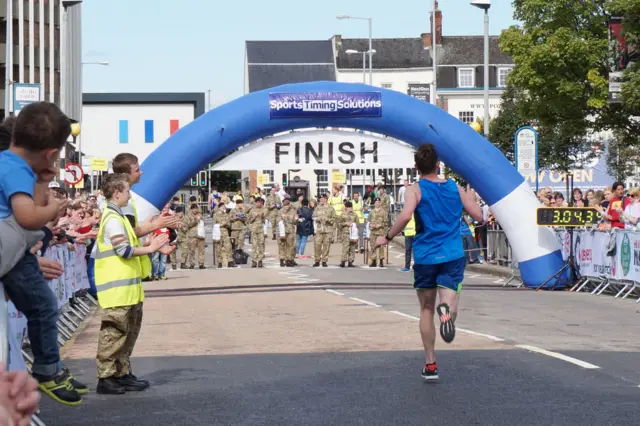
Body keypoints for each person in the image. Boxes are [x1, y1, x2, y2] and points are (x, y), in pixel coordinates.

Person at [0, 102, 86, 405]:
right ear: (51, 152)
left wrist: (42, 181)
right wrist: (54, 208)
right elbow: (27, 215)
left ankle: (52, 367)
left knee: (43, 307)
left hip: (13, 253)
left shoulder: (9, 164)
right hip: (10, 255)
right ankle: (48, 370)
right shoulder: (14, 168)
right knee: (44, 307)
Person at [375, 143, 482, 381]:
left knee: (425, 309)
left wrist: (388, 236)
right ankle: (447, 314)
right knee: (449, 298)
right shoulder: (454, 187)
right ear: (438, 165)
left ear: (416, 167)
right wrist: (471, 199)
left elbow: (404, 215)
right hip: (452, 254)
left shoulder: (415, 189)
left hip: (425, 256)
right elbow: (478, 215)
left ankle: (430, 364)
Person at [94, 173, 169, 395]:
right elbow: (124, 250)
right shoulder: (113, 219)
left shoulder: (119, 216)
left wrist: (151, 242)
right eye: (127, 191)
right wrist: (151, 248)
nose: (129, 194)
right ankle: (106, 377)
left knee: (128, 334)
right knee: (113, 335)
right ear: (117, 193)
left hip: (129, 289)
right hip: (116, 290)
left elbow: (131, 242)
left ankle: (122, 372)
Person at [312, 193, 335, 267]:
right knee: (317, 245)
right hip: (319, 230)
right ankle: (317, 260)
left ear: (325, 199)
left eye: (321, 199)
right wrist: (317, 219)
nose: (320, 200)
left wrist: (328, 219)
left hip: (328, 230)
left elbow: (334, 219)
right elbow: (313, 216)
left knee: (326, 246)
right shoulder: (317, 207)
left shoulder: (331, 208)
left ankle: (324, 261)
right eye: (320, 199)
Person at [276, 195, 297, 267]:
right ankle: (282, 260)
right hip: (282, 231)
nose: (286, 207)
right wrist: (282, 219)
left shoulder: (293, 211)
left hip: (290, 230)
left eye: (287, 205)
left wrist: (296, 220)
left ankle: (288, 260)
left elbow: (295, 221)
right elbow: (277, 220)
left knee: (290, 246)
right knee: (282, 245)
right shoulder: (280, 211)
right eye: (285, 206)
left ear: (289, 205)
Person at [247, 197, 267, 268]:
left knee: (261, 245)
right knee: (254, 246)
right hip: (254, 230)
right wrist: (254, 217)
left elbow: (266, 220)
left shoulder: (264, 209)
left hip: (261, 230)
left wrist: (263, 216)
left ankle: (260, 260)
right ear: (255, 202)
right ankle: (254, 261)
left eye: (260, 202)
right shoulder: (252, 210)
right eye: (258, 202)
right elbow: (248, 220)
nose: (259, 203)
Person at [368, 198, 388, 267]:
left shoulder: (383, 212)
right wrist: (371, 225)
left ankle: (381, 261)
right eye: (376, 202)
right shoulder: (372, 212)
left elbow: (386, 223)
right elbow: (368, 221)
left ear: (380, 203)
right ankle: (373, 261)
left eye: (378, 202)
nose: (377, 203)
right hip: (373, 232)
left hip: (380, 231)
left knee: (381, 247)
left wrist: (380, 226)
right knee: (373, 246)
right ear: (374, 203)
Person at [213, 200, 233, 268]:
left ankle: (230, 261)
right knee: (218, 247)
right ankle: (219, 262)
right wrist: (221, 224)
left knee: (228, 247)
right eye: (222, 207)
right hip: (218, 232)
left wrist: (226, 224)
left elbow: (229, 224)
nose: (224, 208)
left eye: (224, 207)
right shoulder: (215, 215)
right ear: (219, 207)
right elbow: (214, 224)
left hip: (225, 232)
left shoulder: (226, 215)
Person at [339, 201, 358, 267]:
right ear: (345, 207)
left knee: (352, 248)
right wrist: (345, 224)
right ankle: (343, 261)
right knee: (345, 247)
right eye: (348, 207)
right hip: (346, 233)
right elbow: (339, 224)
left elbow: (357, 223)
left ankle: (351, 262)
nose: (349, 208)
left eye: (350, 207)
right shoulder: (342, 214)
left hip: (353, 233)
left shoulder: (355, 214)